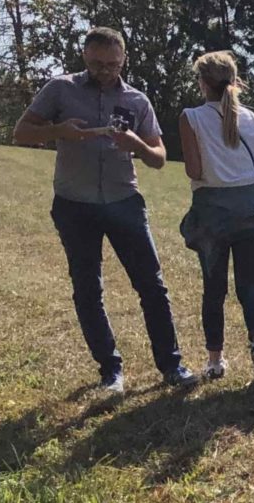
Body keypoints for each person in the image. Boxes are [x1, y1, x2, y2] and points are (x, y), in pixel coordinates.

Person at [14, 26, 196, 394]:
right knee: (87, 289)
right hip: (74, 205)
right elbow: (21, 133)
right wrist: (60, 130)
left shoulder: (137, 100)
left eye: (112, 64)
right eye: (97, 64)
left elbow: (159, 158)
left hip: (123, 202)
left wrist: (137, 146)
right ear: (85, 56)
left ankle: (171, 365)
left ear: (123, 59)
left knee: (152, 286)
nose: (105, 71)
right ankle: (110, 371)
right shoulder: (59, 89)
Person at [177, 52, 254, 387]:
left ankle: (216, 361)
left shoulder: (191, 117)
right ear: (235, 81)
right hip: (251, 206)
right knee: (251, 285)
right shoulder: (249, 116)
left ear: (203, 83)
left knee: (213, 290)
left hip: (212, 211)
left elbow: (193, 170)